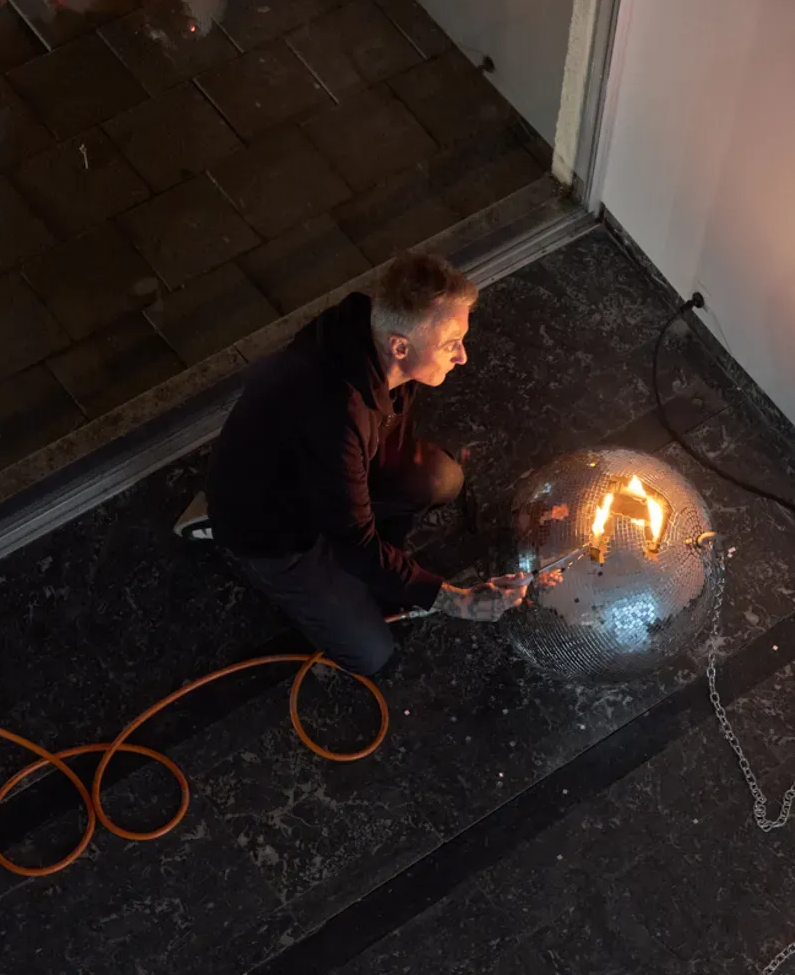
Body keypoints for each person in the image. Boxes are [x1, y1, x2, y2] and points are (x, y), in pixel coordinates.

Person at [178, 251, 534, 675]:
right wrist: (455, 600)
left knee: (440, 479)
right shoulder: (333, 414)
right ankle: (217, 523)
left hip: (322, 475)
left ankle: (370, 573)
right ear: (400, 345)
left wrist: (390, 562)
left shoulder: (371, 337)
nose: (462, 357)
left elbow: (389, 435)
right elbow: (355, 543)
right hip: (272, 527)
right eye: (449, 345)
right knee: (370, 654)